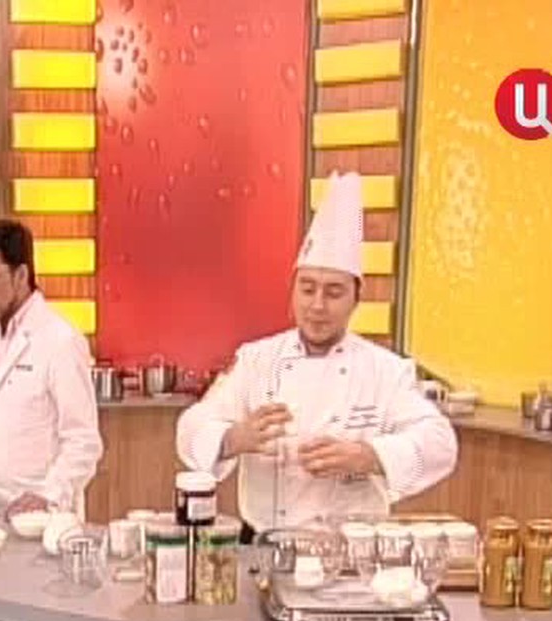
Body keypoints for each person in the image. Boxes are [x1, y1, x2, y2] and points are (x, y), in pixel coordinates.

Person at [177, 171, 458, 539]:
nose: (318, 305)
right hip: (263, 542)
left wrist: (369, 455)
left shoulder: (385, 371)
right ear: (292, 291)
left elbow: (440, 444)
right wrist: (233, 438)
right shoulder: (255, 360)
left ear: (356, 298)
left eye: (334, 292)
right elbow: (190, 429)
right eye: (307, 289)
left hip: (350, 547)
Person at [0, 219, 102, 516]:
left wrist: (48, 496)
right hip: (0, 509)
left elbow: (83, 442)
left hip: (48, 516)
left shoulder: (60, 339)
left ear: (21, 274)